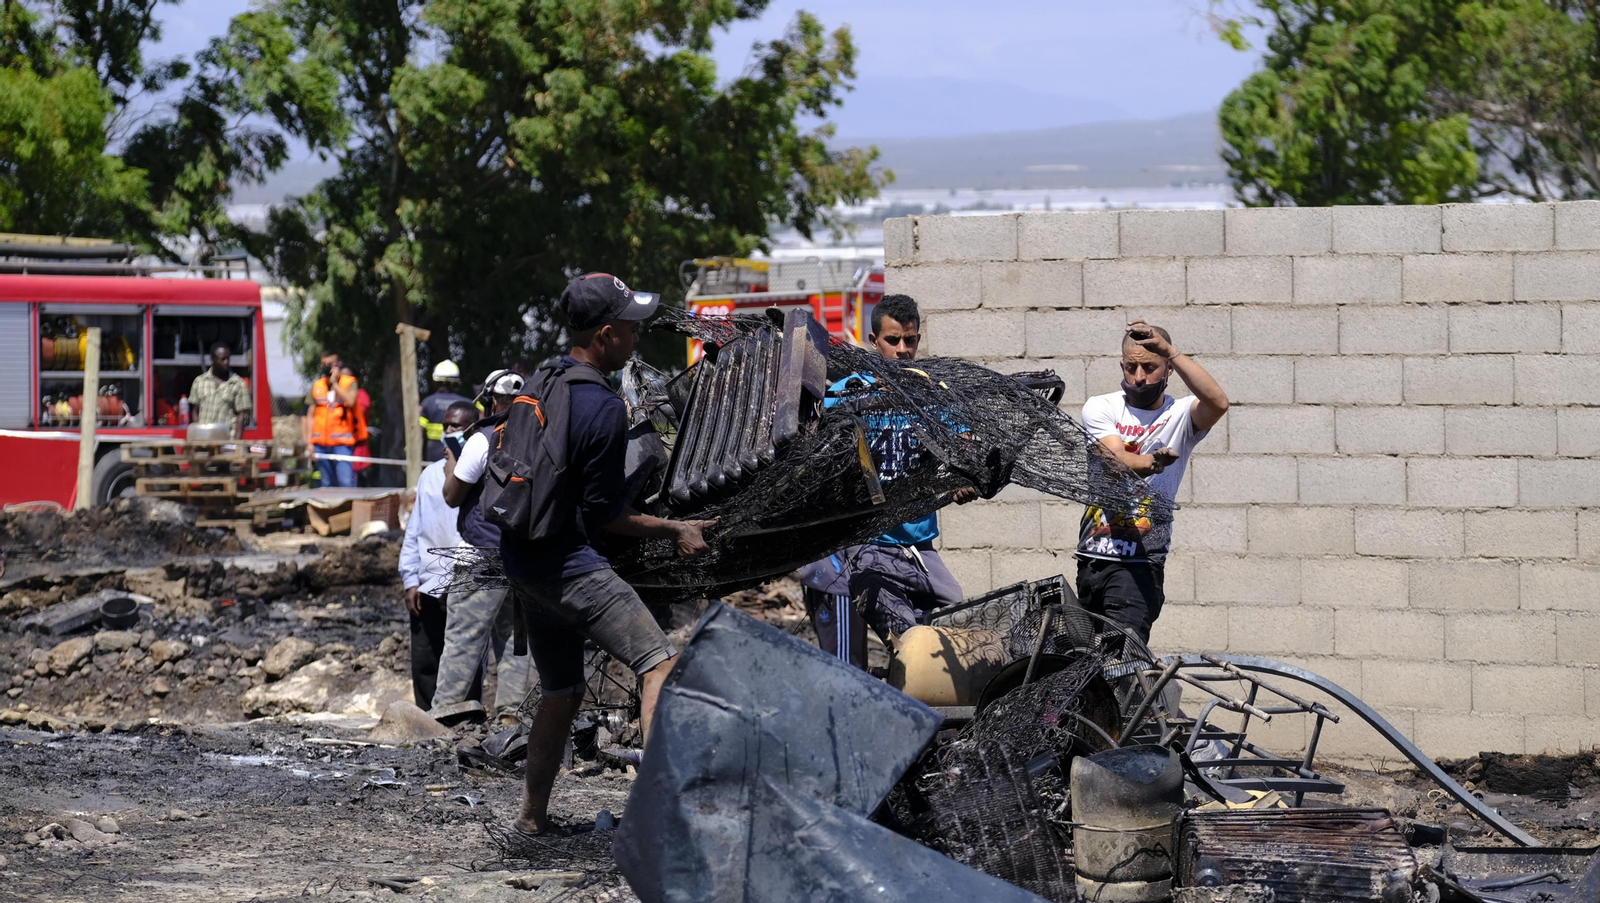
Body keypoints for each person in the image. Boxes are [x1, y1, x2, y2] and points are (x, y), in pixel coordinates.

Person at [444, 271, 713, 837]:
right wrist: (674, 529)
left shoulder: (540, 379)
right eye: (631, 329)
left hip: (523, 561)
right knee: (658, 662)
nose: (637, 339)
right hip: (570, 565)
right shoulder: (604, 407)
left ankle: (531, 819)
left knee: (561, 693)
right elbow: (607, 517)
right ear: (607, 335)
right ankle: (658, 820)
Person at [799, 293, 978, 669]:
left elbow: (963, 447)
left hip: (920, 549)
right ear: (873, 340)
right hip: (869, 547)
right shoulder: (847, 394)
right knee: (912, 646)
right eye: (892, 341)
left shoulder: (932, 395)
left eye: (909, 341)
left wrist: (965, 477)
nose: (902, 350)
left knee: (961, 621)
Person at [1076, 320, 1229, 644]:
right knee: (1086, 666)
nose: (1139, 377)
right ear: (1122, 365)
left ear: (1168, 369)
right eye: (1131, 367)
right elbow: (1114, 460)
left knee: (1120, 660)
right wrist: (1151, 462)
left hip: (1140, 562)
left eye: (1150, 366)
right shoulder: (1101, 406)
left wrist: (1171, 351)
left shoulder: (1182, 414)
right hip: (1092, 557)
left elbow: (1218, 403)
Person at [434, 384, 533, 724]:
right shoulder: (539, 435)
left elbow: (452, 496)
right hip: (523, 554)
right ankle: (511, 716)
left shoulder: (483, 438)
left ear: (491, 403)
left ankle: (446, 714)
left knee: (465, 636)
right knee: (516, 639)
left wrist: (452, 463)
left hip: (480, 556)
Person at [398, 402, 480, 709]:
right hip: (429, 584)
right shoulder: (430, 476)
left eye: (456, 427)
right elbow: (414, 530)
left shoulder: (482, 474)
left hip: (466, 583)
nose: (448, 433)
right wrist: (410, 578)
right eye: (445, 426)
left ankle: (464, 723)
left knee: (463, 662)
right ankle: (426, 724)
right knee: (425, 662)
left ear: (473, 430)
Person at [304, 350, 360, 488]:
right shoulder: (317, 385)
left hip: (342, 444)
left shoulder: (349, 382)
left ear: (338, 364)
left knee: (345, 482)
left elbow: (351, 401)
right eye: (324, 364)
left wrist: (334, 384)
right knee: (327, 483)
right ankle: (331, 510)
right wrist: (308, 443)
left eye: (330, 364)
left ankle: (349, 509)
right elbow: (309, 416)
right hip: (320, 444)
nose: (327, 367)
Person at [188, 342, 251, 438]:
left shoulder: (238, 383)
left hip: (227, 440)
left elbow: (241, 415)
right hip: (204, 440)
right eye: (222, 359)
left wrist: (236, 443)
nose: (226, 362)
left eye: (228, 358)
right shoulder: (199, 381)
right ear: (212, 359)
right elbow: (195, 410)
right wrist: (198, 432)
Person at [420, 360, 469, 462]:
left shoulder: (427, 402)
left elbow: (418, 432)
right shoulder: (467, 403)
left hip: (433, 451)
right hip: (458, 450)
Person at [345, 364, 375, 486]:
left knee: (357, 483)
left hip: (357, 448)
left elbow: (359, 411)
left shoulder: (361, 395)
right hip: (341, 446)